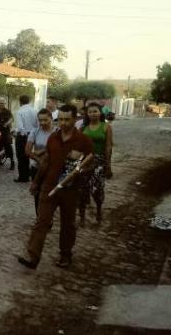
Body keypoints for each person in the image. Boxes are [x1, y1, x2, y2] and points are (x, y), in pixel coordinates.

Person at [18, 104, 93, 269]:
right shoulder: (53, 138)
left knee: (68, 224)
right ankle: (33, 256)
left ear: (75, 119)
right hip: (49, 186)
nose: (64, 123)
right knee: (41, 221)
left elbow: (89, 165)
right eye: (61, 119)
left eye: (68, 119)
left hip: (70, 189)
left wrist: (78, 165)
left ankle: (66, 255)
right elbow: (46, 162)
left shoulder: (84, 141)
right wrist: (36, 182)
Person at [78, 102, 113, 225]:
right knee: (82, 189)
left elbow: (108, 147)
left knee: (98, 189)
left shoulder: (106, 127)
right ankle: (82, 216)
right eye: (90, 112)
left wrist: (108, 165)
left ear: (100, 113)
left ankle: (99, 210)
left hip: (99, 162)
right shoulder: (83, 127)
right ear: (87, 114)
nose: (93, 114)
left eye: (95, 111)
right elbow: (78, 145)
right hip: (85, 162)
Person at [25, 108, 55, 214]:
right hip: (36, 168)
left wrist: (42, 151)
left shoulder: (57, 132)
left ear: (51, 118)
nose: (42, 123)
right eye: (40, 120)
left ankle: (48, 216)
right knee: (37, 194)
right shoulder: (35, 131)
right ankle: (39, 217)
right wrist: (38, 159)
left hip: (52, 168)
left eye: (45, 120)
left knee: (50, 194)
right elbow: (28, 151)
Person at [14, 95, 38, 182]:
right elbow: (36, 125)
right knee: (29, 155)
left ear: (20, 102)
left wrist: (24, 134)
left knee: (21, 156)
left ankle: (23, 177)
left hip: (23, 136)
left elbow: (20, 127)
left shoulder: (20, 111)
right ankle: (29, 174)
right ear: (29, 101)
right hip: (33, 135)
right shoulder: (35, 110)